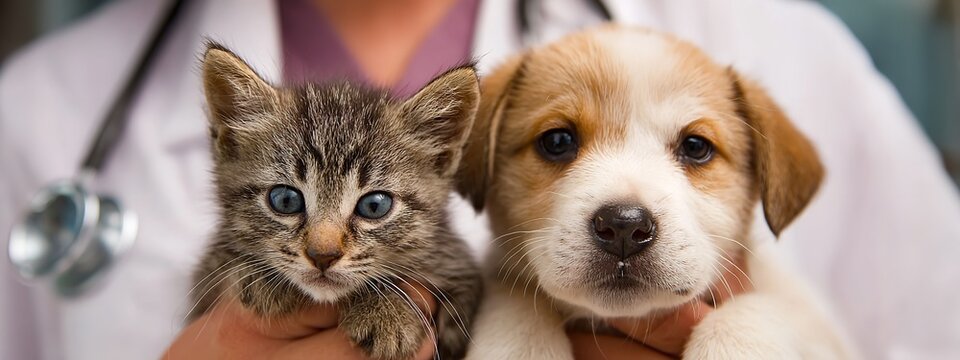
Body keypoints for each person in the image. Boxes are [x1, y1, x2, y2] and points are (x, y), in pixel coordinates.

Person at [1, 0, 959, 359]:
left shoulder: (776, 38)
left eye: (695, 150)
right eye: (553, 143)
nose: (624, 201)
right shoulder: (41, 109)